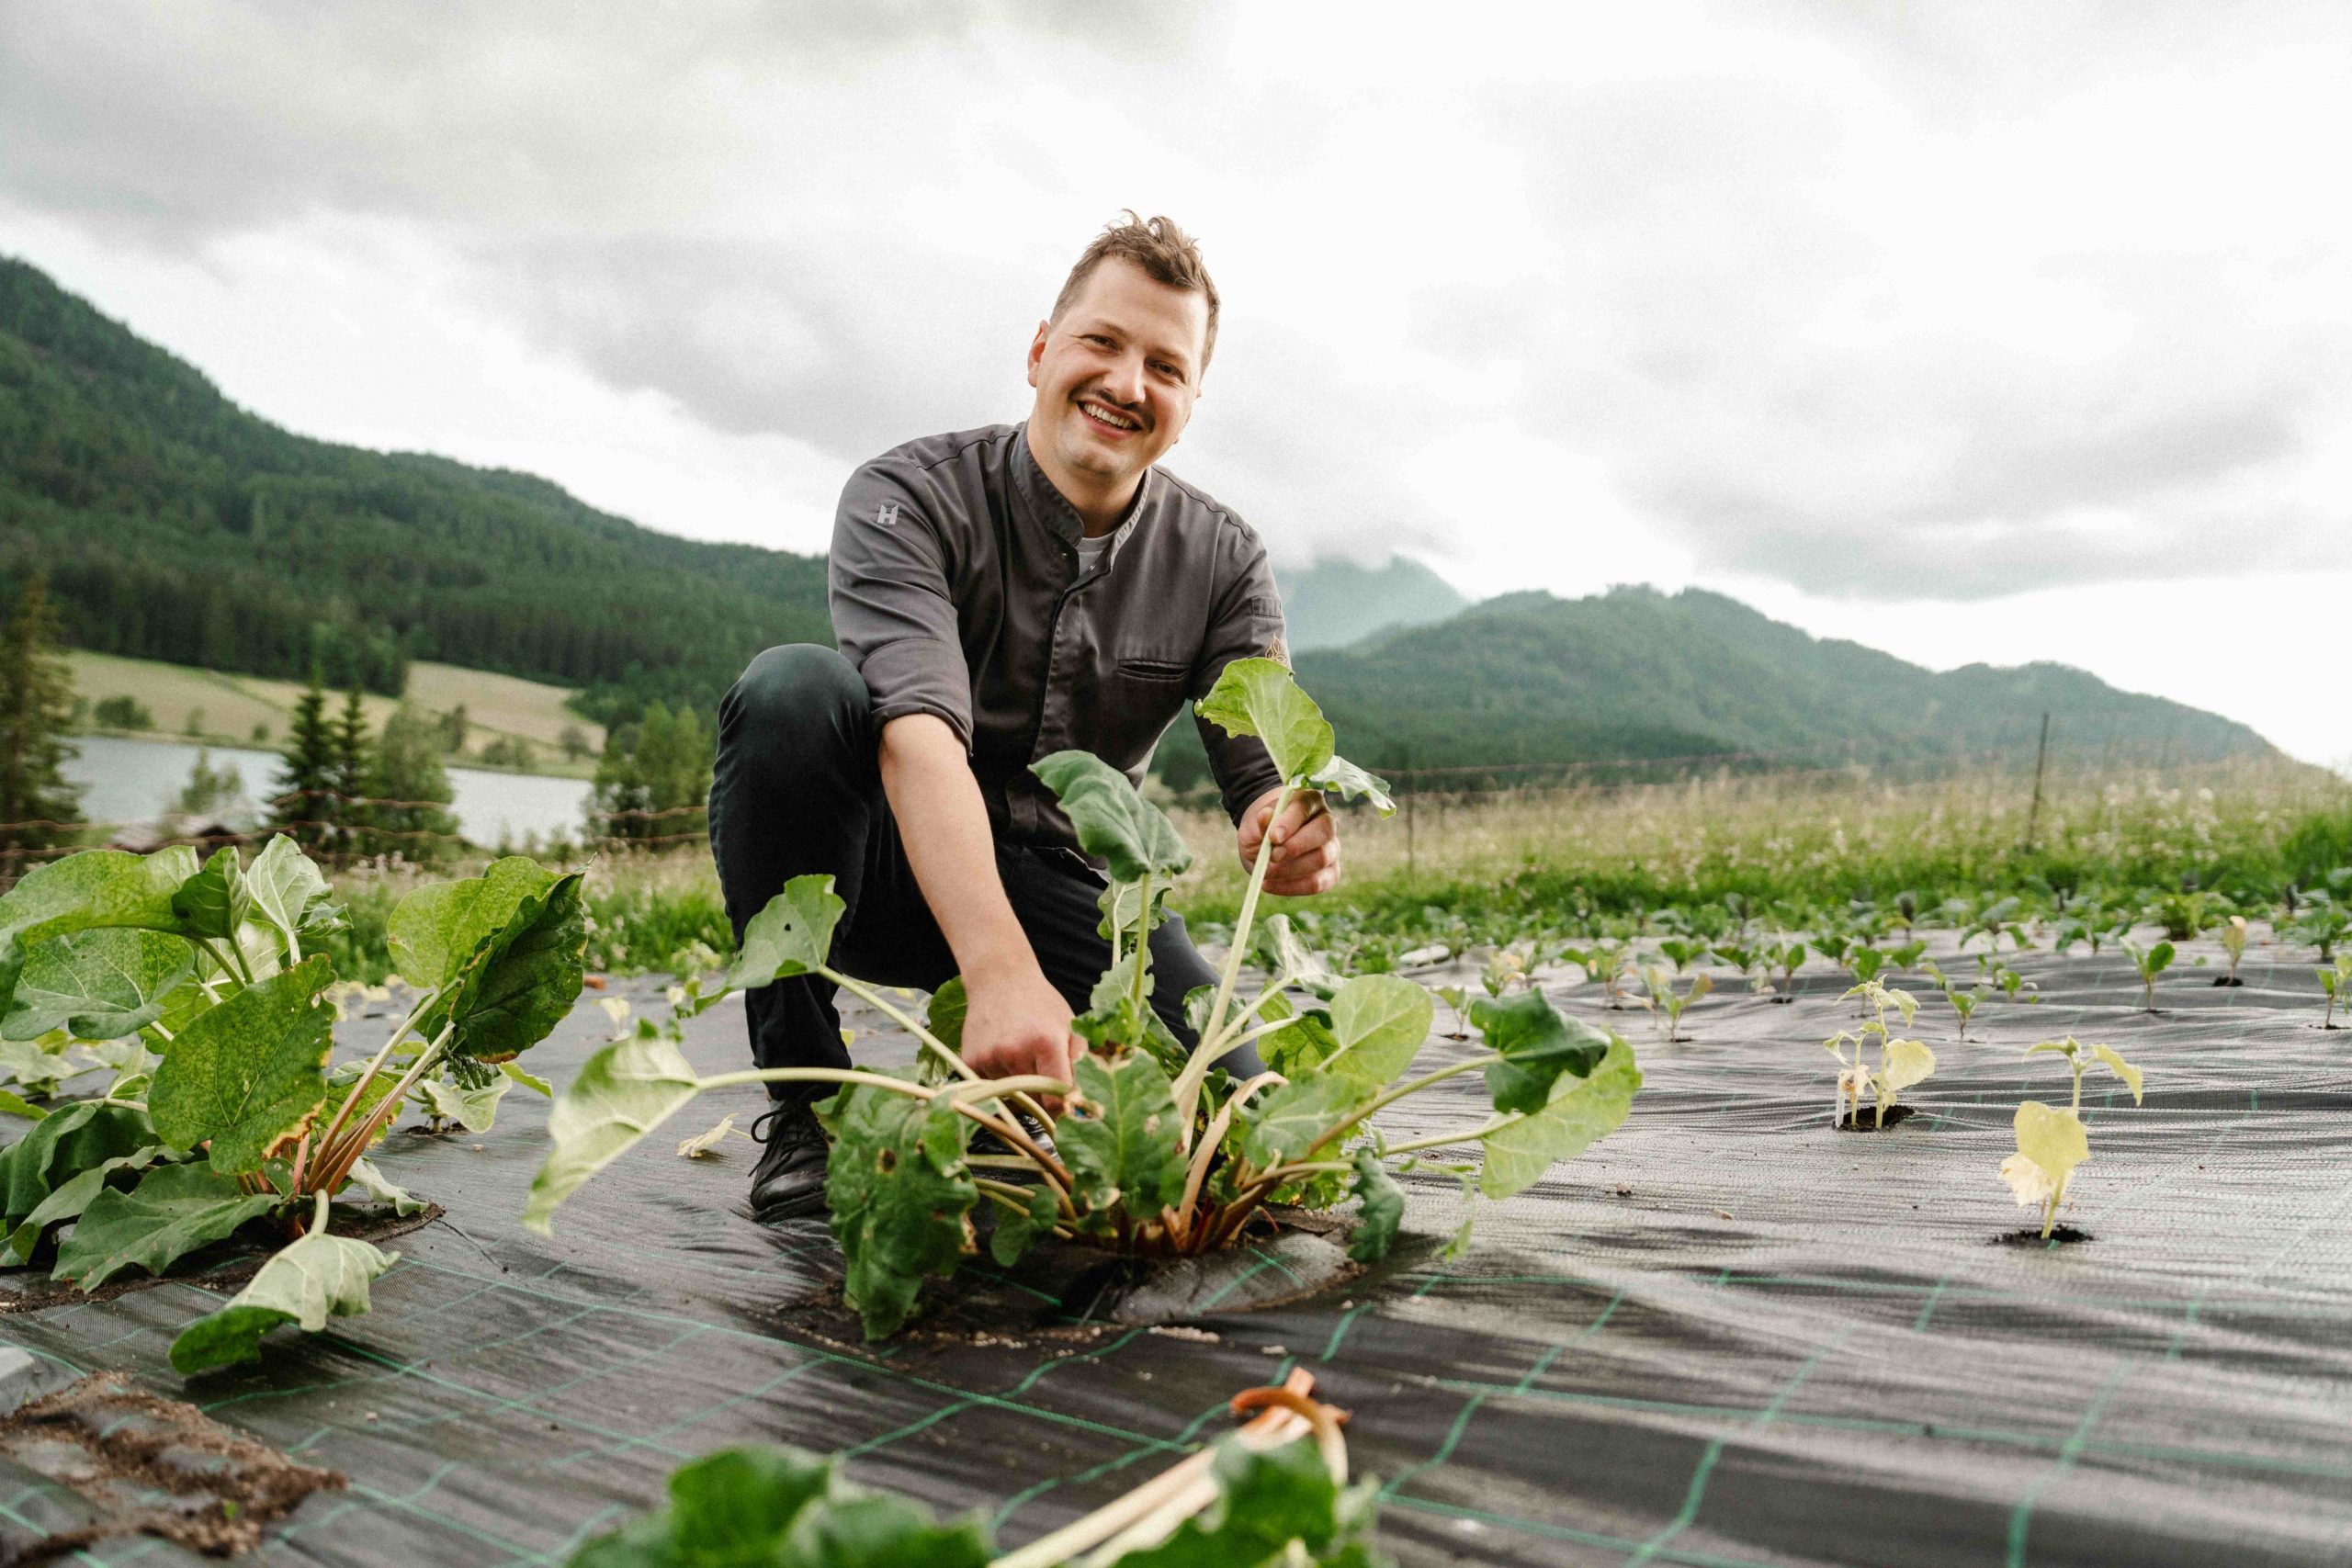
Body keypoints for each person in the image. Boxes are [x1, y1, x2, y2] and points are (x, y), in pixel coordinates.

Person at [709, 212, 1344, 1218]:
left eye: (1165, 367)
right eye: (1102, 342)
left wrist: (1287, 826)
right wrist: (999, 971)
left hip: (1068, 887)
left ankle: (1007, 1087)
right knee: (796, 689)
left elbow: (1262, 766)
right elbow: (918, 735)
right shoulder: (907, 496)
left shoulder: (1223, 558)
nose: (1127, 383)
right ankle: (806, 1101)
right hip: (879, 868)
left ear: (1188, 402)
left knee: (1237, 1131)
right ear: (1042, 350)